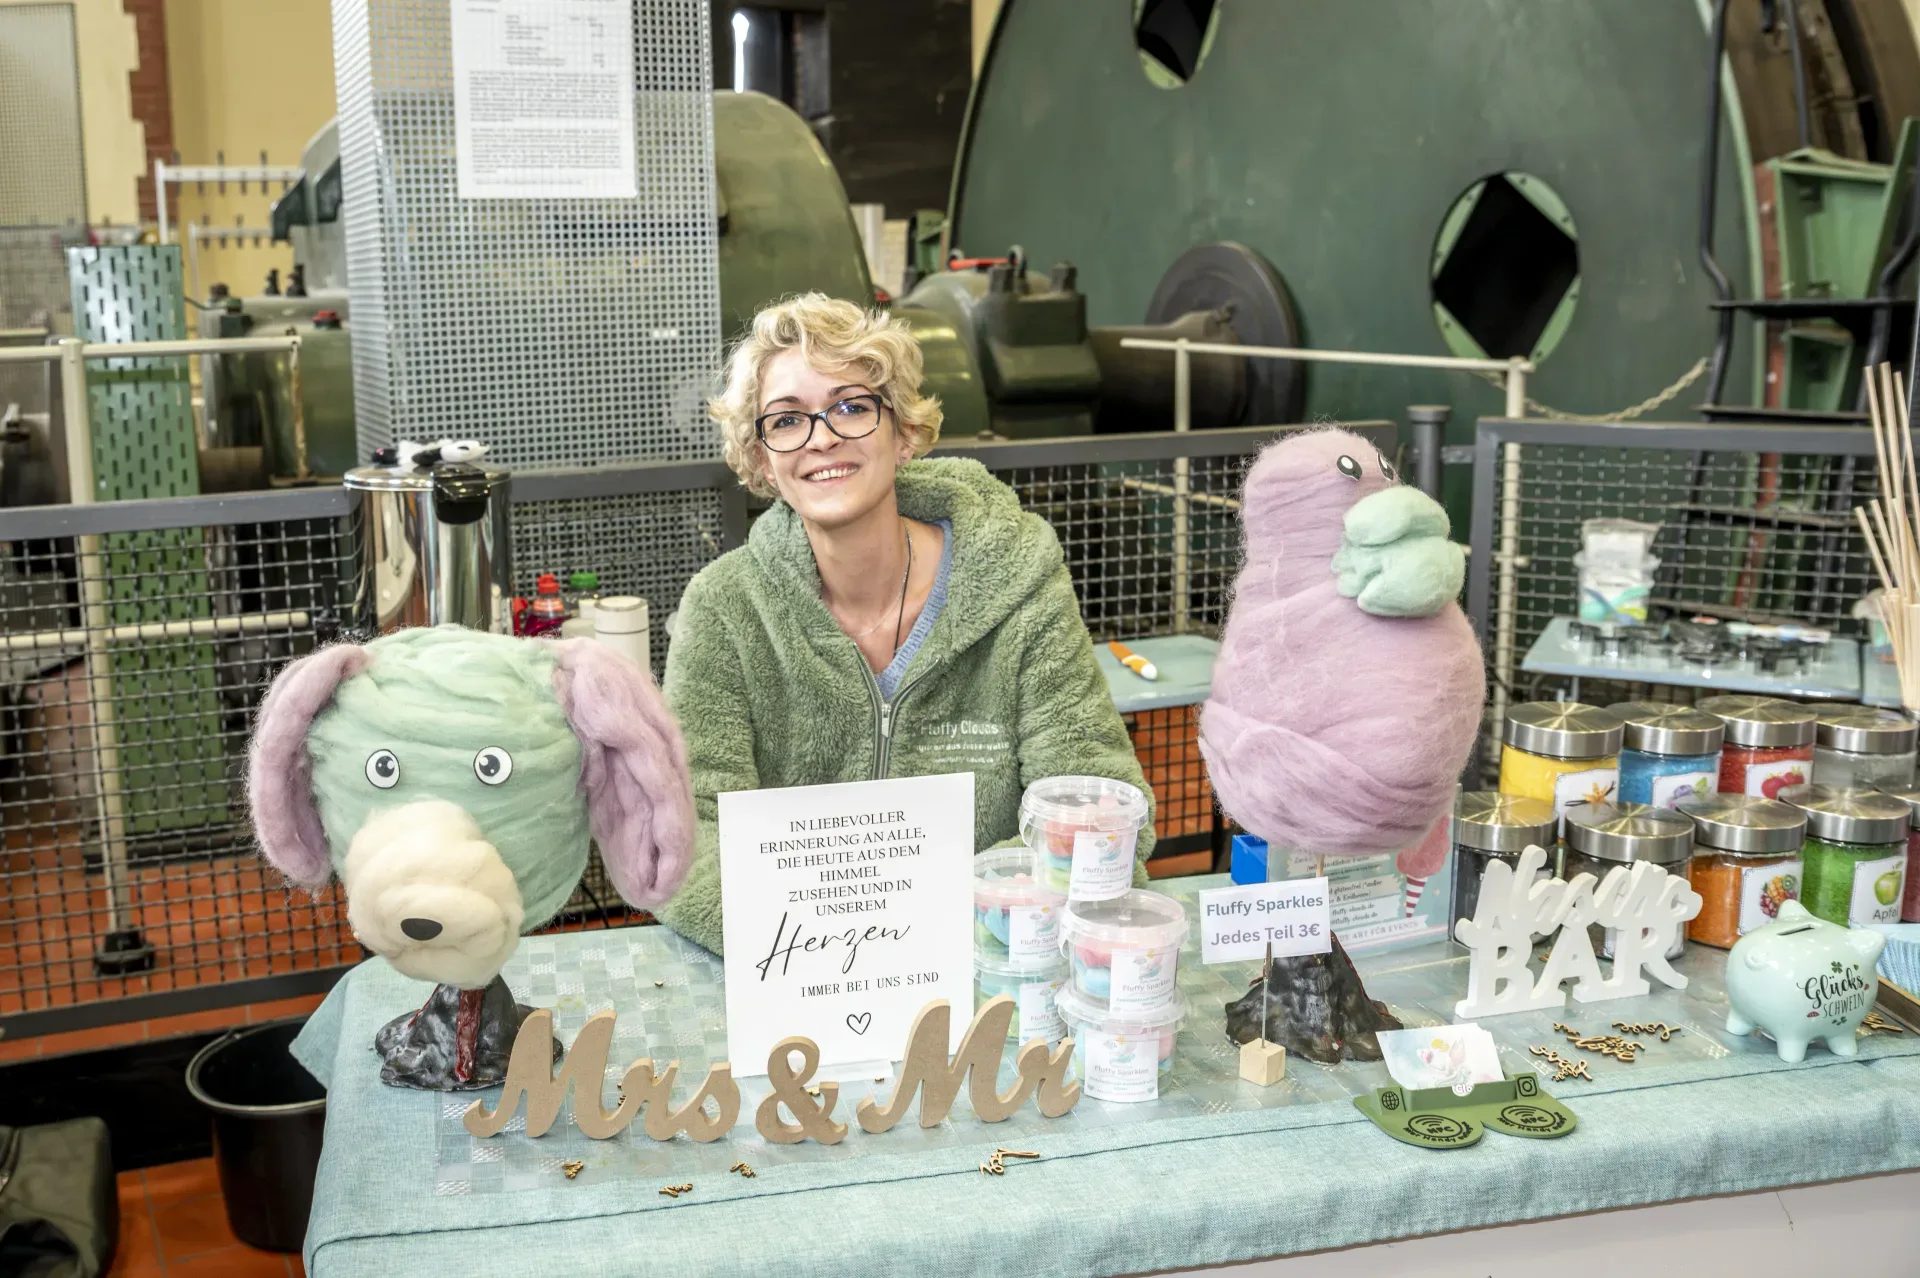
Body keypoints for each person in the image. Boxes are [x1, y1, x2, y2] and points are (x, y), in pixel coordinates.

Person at [656, 293, 1153, 954]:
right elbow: (684, 839)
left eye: (852, 407)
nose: (822, 436)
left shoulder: (1018, 578)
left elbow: (1100, 811)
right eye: (786, 420)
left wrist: (923, 927)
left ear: (905, 433)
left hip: (995, 973)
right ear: (763, 460)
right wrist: (836, 944)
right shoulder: (724, 610)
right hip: (794, 982)